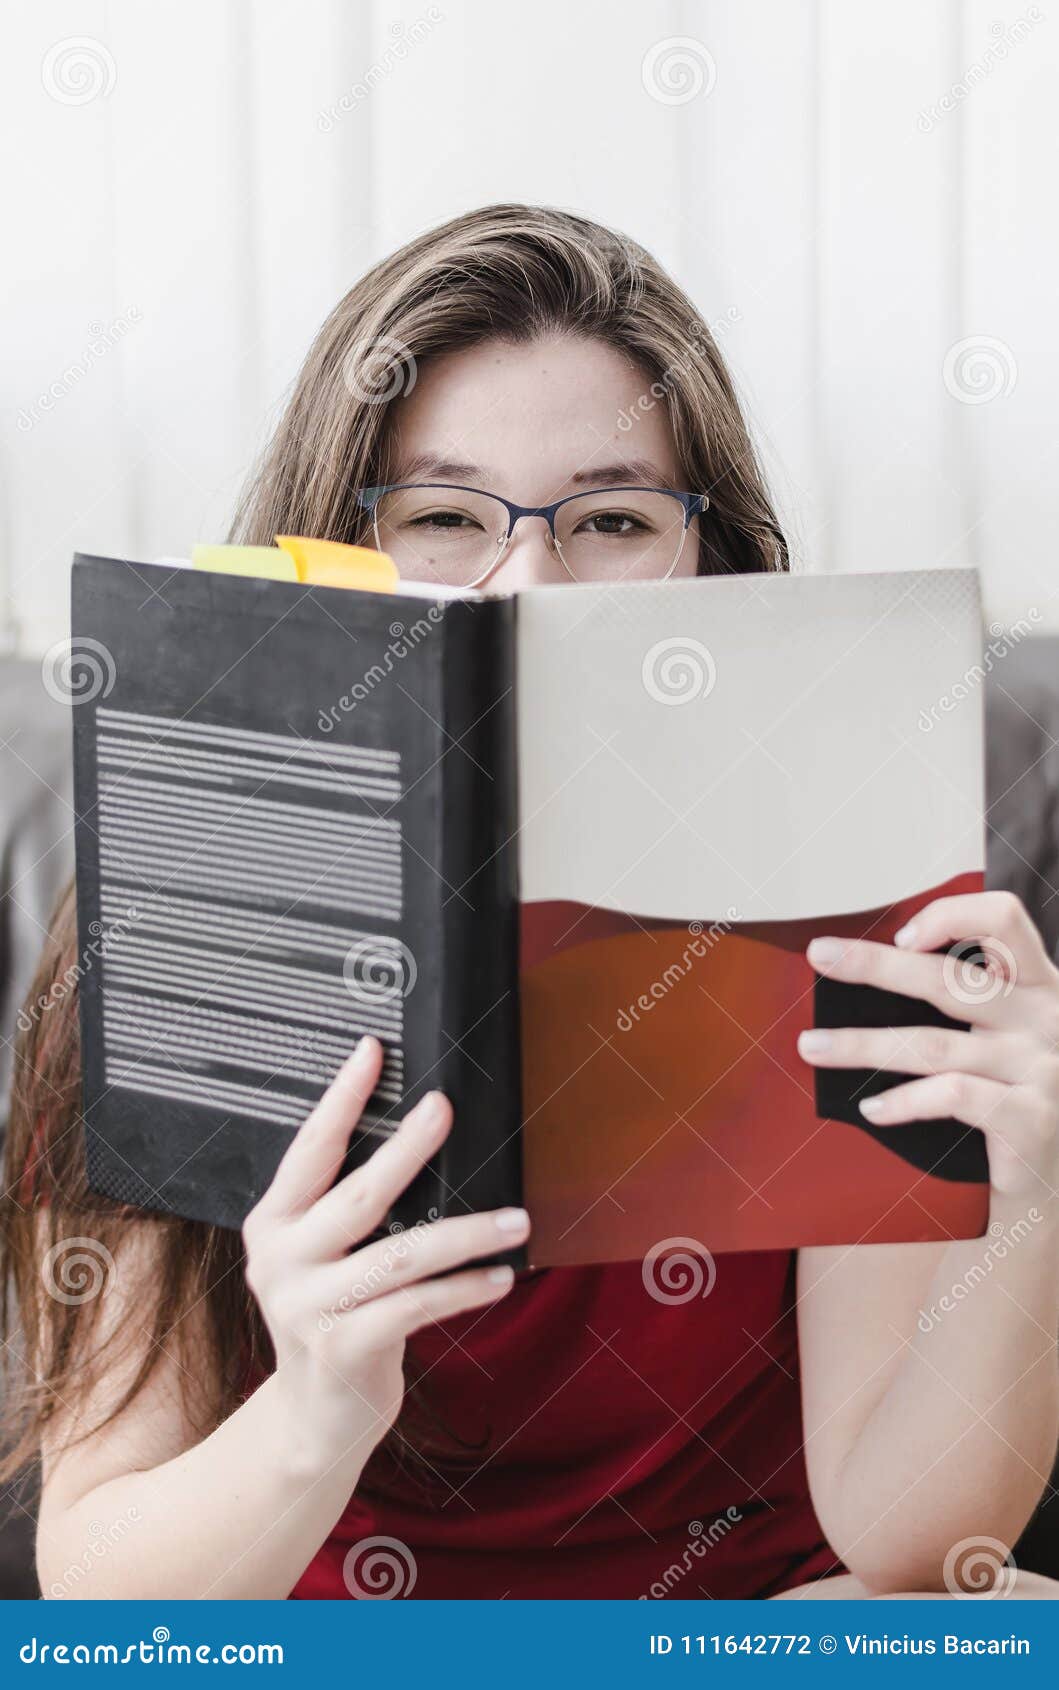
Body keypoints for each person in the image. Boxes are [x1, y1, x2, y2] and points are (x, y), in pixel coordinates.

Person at [4, 205, 1058, 1601]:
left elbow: (920, 1544)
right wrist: (319, 1402)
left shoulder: (834, 866)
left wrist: (1037, 1195)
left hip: (746, 1630)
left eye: (612, 519)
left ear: (715, 568)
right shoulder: (188, 893)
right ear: (335, 551)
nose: (526, 585)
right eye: (443, 516)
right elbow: (102, 1585)